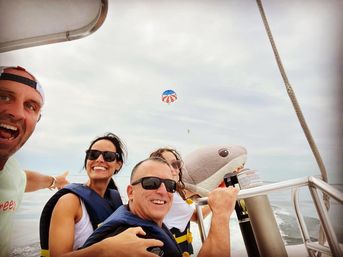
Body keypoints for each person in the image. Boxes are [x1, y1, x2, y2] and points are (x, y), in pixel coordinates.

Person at [82, 157, 238, 257]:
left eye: (170, 186)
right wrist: (221, 215)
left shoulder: (134, 216)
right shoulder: (137, 239)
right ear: (130, 192)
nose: (163, 191)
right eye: (151, 183)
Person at [0, 66, 69, 257]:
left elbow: (23, 179)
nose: (18, 113)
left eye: (30, 106)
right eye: (3, 96)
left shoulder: (10, 170)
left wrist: (54, 181)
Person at [40, 133, 126, 257]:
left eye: (108, 156)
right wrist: (106, 248)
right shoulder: (69, 202)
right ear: (87, 160)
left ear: (118, 164)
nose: (100, 159)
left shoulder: (115, 201)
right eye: (93, 154)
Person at [150, 147, 211, 256]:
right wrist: (215, 201)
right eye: (166, 165)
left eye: (175, 164)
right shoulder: (169, 196)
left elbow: (186, 193)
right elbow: (196, 217)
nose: (173, 170)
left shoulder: (166, 191)